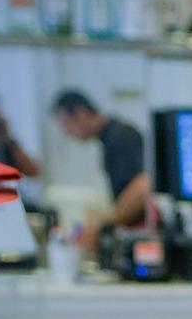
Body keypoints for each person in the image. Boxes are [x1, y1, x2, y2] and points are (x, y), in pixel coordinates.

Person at [52, 89, 150, 232]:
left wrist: (104, 226)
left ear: (81, 113)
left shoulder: (120, 136)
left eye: (66, 125)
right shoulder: (109, 138)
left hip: (142, 227)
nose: (67, 133)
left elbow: (142, 185)